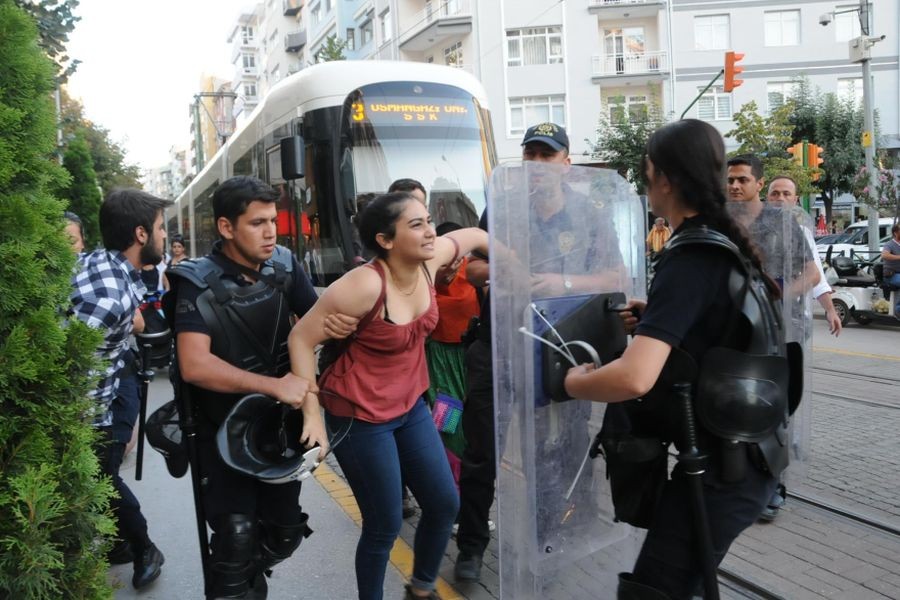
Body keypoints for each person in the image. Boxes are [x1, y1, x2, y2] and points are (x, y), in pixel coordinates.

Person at [565, 119, 789, 600]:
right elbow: (721, 331)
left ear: (664, 178)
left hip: (721, 473)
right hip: (746, 462)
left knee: (654, 591)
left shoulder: (690, 256)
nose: (646, 183)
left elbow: (634, 377)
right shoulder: (721, 243)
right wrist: (664, 324)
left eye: (646, 172)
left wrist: (574, 383)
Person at [288, 192, 489, 600]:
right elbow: (300, 338)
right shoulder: (362, 285)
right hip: (359, 416)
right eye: (416, 225)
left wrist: (514, 264)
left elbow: (473, 235)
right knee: (384, 525)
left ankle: (421, 589)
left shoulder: (429, 263)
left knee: (444, 503)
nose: (431, 231)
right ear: (385, 239)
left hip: (411, 405)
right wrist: (312, 416)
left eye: (429, 220)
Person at [168, 176, 356, 599]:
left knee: (285, 532)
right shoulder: (194, 283)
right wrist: (274, 385)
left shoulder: (286, 266)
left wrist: (336, 325)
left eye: (272, 220)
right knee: (235, 534)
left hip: (275, 430)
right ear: (226, 227)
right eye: (257, 223)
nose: (271, 231)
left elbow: (313, 323)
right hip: (219, 434)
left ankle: (245, 579)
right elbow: (194, 365)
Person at [454, 122, 624, 583]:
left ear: (567, 163)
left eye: (547, 155)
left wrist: (562, 284)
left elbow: (614, 277)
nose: (537, 164)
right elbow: (471, 268)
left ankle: (545, 545)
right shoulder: (504, 209)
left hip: (555, 351)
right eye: (530, 154)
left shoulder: (590, 214)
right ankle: (471, 546)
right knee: (481, 454)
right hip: (498, 345)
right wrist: (503, 273)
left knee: (555, 456)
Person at [69, 189, 169, 590]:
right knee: (103, 478)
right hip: (86, 412)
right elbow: (68, 366)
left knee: (102, 480)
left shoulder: (97, 262)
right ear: (142, 234)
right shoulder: (112, 299)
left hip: (102, 399)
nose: (166, 236)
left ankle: (119, 546)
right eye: (162, 228)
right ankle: (145, 547)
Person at [727, 156, 820, 522]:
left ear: (758, 184)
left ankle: (772, 487)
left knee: (774, 407)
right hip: (734, 327)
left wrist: (779, 297)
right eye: (730, 180)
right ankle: (735, 480)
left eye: (742, 180)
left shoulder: (783, 222)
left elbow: (812, 272)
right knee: (733, 403)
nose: (735, 186)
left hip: (778, 329)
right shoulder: (721, 221)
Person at [767, 175, 842, 336]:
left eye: (786, 194)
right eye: (775, 193)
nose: (780, 198)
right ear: (767, 198)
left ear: (795, 200)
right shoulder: (756, 229)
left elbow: (816, 275)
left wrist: (830, 310)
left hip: (794, 315)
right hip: (763, 313)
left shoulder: (803, 233)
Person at [882, 223, 900, 317]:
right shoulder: (889, 244)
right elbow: (884, 255)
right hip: (891, 275)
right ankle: (898, 310)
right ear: (895, 233)